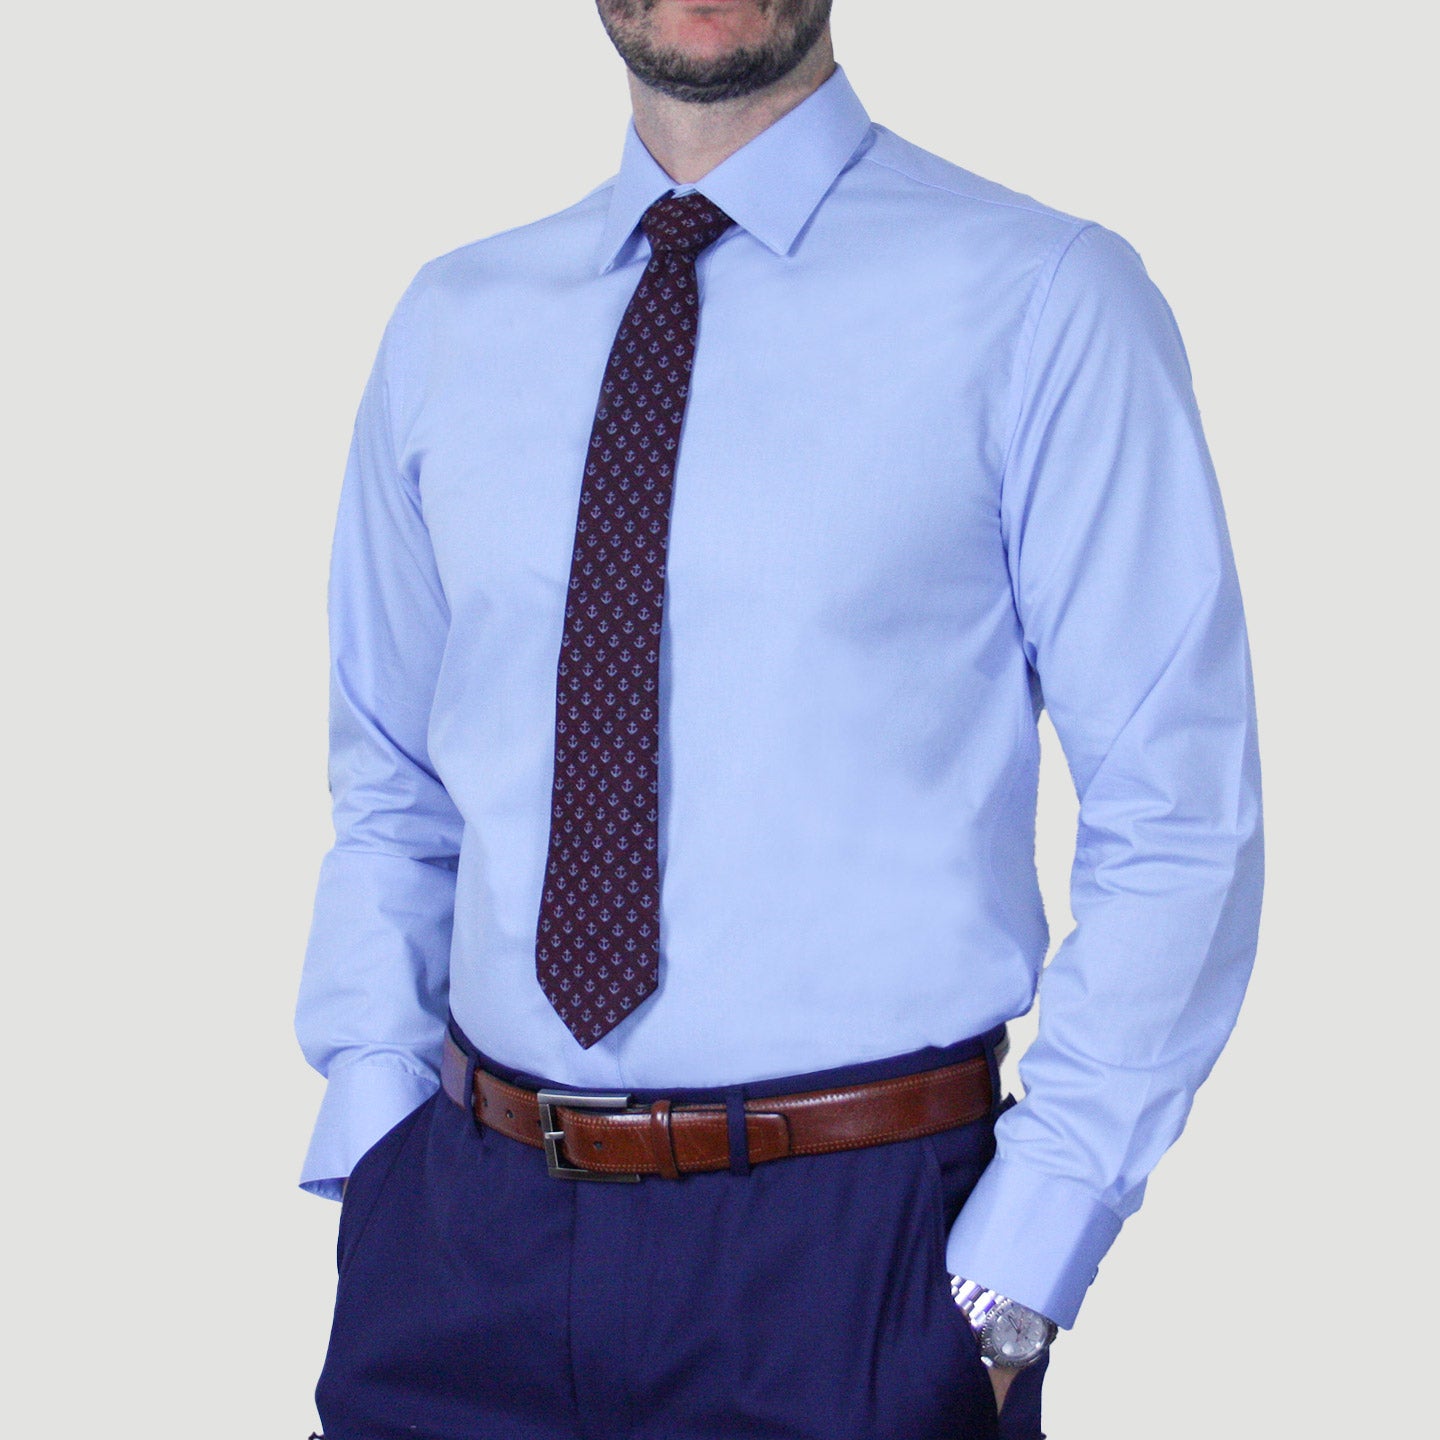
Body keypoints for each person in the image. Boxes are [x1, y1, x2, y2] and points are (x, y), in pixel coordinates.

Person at [294, 3, 1265, 1437]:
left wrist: (1013, 1276)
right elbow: (394, 787)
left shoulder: (1044, 297)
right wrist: (379, 1143)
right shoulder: (452, 322)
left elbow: (1179, 817)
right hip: (463, 1240)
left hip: (853, 1261)